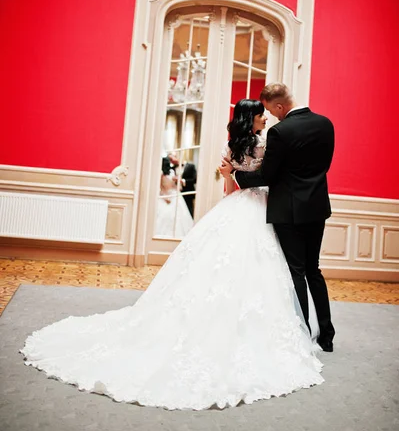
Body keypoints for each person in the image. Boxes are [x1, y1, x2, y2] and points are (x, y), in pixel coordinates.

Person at [21, 99, 323, 411]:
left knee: (225, 267)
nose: (265, 119)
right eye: (261, 115)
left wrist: (233, 175)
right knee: (259, 270)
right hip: (260, 207)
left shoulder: (231, 144)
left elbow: (229, 188)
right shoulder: (263, 143)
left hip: (236, 207)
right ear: (254, 118)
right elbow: (271, 177)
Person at [221, 84, 335, 352]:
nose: (269, 115)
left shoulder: (280, 132)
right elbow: (323, 166)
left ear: (279, 106)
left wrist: (235, 174)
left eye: (270, 109)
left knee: (295, 271)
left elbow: (268, 176)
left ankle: (303, 332)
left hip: (287, 209)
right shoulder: (325, 124)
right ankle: (327, 335)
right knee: (313, 270)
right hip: (317, 206)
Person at [156, 156, 193, 238]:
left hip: (169, 195)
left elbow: (160, 187)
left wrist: (165, 197)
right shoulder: (171, 172)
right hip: (173, 195)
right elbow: (177, 187)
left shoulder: (162, 174)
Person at [168, 151, 197, 216]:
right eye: (170, 160)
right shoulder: (171, 169)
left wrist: (182, 180)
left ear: (177, 156)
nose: (172, 161)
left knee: (189, 212)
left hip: (188, 193)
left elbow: (195, 180)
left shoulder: (191, 166)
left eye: (172, 158)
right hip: (176, 194)